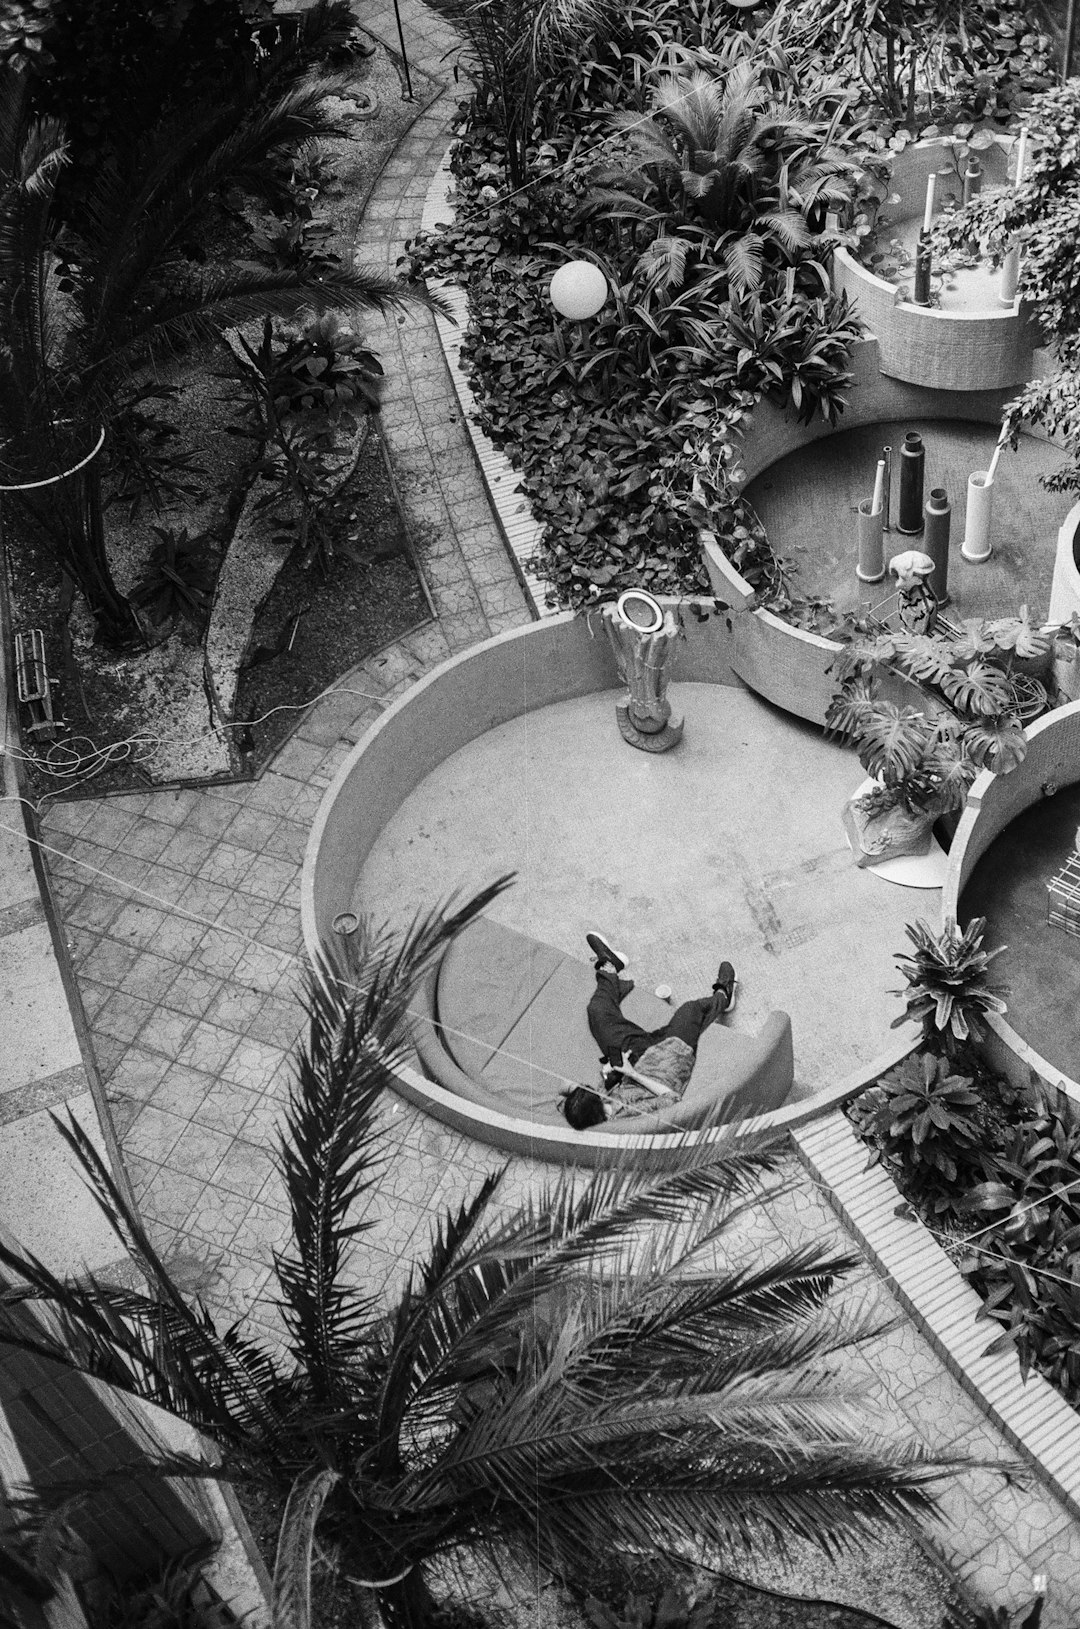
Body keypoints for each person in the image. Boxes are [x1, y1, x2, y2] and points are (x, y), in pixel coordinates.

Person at [561, 933, 737, 1129]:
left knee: (598, 1013)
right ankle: (724, 995)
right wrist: (633, 1074)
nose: (599, 1093)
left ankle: (610, 967)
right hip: (667, 1058)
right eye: (597, 1095)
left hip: (633, 1056)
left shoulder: (594, 1109)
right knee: (691, 1010)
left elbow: (565, 1090)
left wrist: (608, 1075)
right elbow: (671, 1099)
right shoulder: (628, 1118)